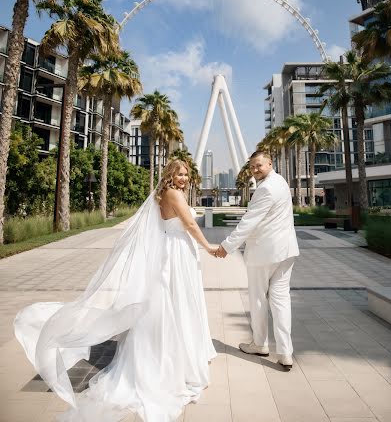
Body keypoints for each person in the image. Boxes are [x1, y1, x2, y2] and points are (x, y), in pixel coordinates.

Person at [14, 159, 217, 421]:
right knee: (176, 303)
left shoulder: (161, 195)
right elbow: (189, 225)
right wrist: (209, 247)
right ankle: (174, 360)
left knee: (171, 303)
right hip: (177, 252)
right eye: (179, 174)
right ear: (170, 175)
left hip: (172, 249)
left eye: (186, 174)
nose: (184, 178)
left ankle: (175, 352)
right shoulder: (174, 194)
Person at [216, 150, 299, 370]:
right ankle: (285, 353)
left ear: (270, 163)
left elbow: (248, 222)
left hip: (265, 253)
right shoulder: (281, 182)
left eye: (258, 166)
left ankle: (260, 344)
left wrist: (227, 246)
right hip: (287, 251)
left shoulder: (265, 189)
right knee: (281, 301)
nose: (254, 170)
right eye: (252, 167)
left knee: (258, 299)